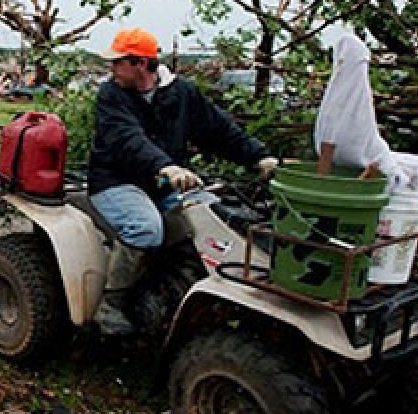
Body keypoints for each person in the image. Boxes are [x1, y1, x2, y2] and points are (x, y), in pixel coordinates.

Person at [88, 28, 279, 334]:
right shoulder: (111, 95)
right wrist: (166, 167)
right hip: (116, 180)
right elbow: (127, 139)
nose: (111, 68)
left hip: (163, 183)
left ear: (140, 63)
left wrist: (258, 157)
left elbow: (219, 130)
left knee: (215, 215)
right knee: (146, 228)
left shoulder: (183, 93)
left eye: (117, 62)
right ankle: (112, 303)